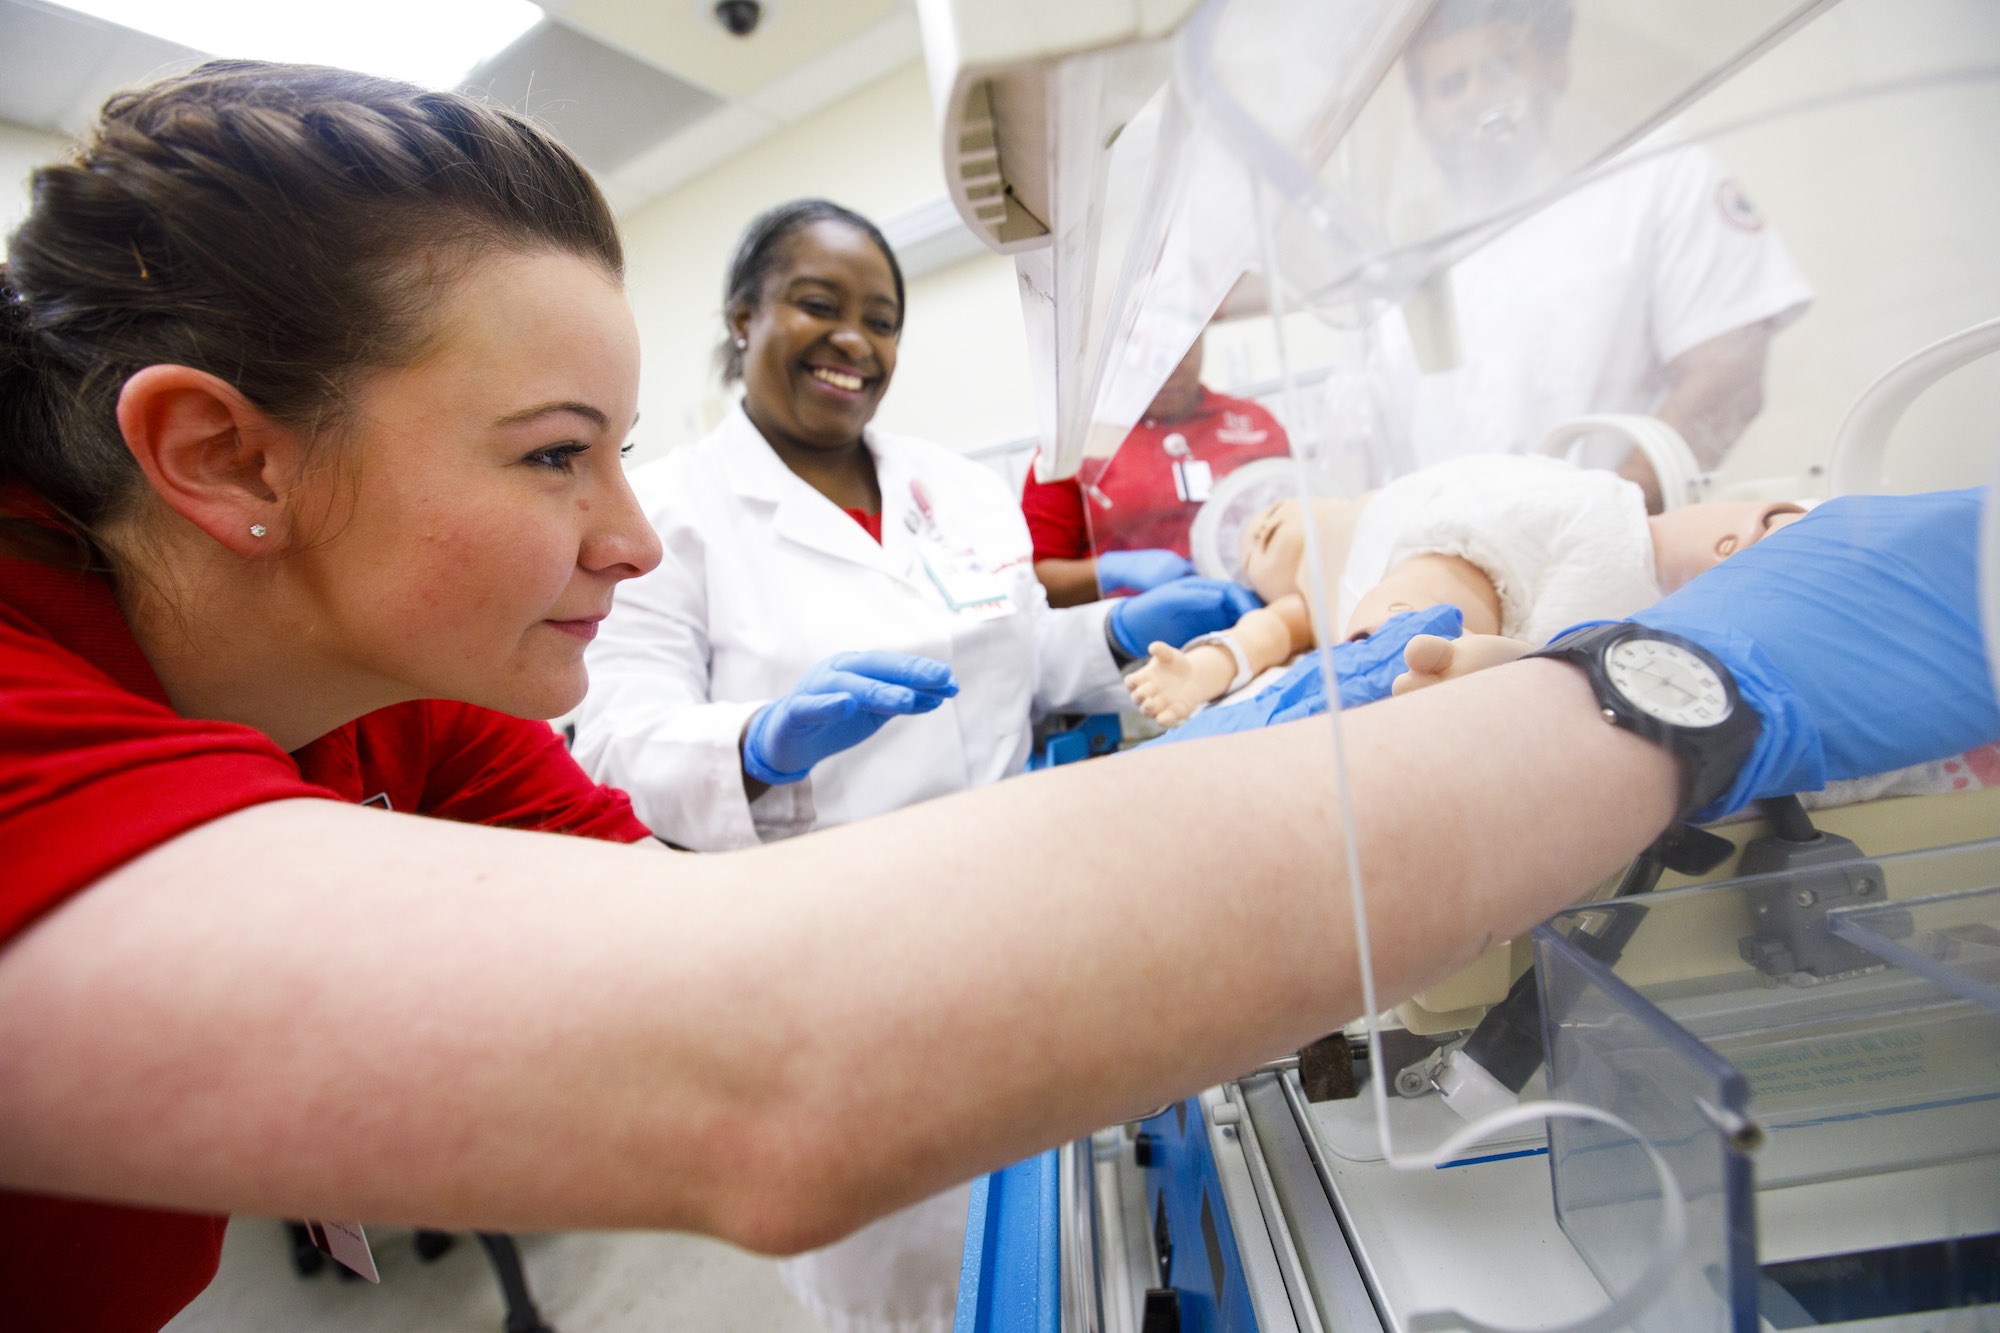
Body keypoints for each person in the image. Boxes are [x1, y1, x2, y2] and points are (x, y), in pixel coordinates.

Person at [1, 60, 1993, 1333]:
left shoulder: (375, 702)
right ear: (228, 459)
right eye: (547, 459)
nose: (623, 538)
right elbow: (766, 1059)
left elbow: (717, 940)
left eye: (617, 451)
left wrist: (1228, 708)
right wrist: (1671, 690)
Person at [564, 199, 1255, 1330]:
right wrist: (753, 741)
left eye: (879, 320)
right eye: (818, 306)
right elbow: (614, 732)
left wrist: (1114, 636)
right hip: (826, 966)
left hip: (1013, 920)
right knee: (898, 1277)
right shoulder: (674, 514)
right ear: (744, 316)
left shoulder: (955, 489)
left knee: (1052, 1244)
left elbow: (1018, 662)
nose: (854, 341)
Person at [1346, 0, 1813, 509]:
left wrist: (1601, 530)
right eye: (1451, 85)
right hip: (1454, 577)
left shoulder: (1654, 174)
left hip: (1637, 567)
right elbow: (1380, 455)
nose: (1475, 97)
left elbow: (1727, 380)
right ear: (1423, 114)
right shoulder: (1405, 264)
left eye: (1499, 69)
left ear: (1554, 67)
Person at [1127, 453, 1802, 725]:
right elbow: (1260, 640)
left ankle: (1782, 534)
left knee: (1658, 539)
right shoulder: (1304, 598)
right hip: (1441, 569)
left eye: (1269, 507)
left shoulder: (1368, 501)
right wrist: (1198, 672)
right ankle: (1431, 651)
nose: (1258, 525)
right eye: (1247, 547)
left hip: (1556, 516)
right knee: (1424, 596)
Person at [1021, 330, 1292, 606]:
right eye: (1150, 354)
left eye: (1182, 348)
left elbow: (1302, 522)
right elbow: (1038, 579)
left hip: (1260, 610)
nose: (1169, 369)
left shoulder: (1254, 423)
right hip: (1131, 635)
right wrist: (1110, 570)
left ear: (1201, 340)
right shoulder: (1076, 444)